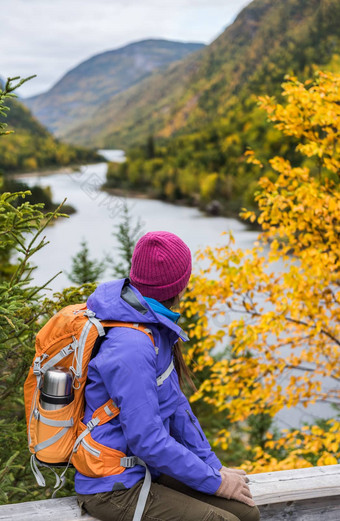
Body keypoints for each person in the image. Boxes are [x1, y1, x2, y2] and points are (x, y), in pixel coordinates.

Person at [76, 231, 260, 521]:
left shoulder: (152, 325)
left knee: (247, 513)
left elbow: (176, 407)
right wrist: (216, 483)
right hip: (113, 484)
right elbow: (147, 439)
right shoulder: (131, 346)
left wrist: (213, 467)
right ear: (180, 285)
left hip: (146, 468)